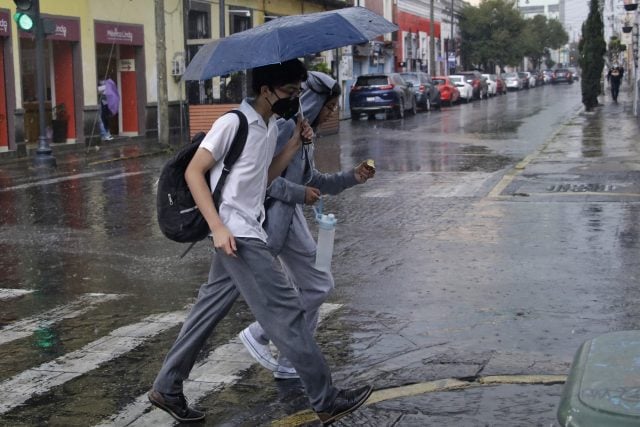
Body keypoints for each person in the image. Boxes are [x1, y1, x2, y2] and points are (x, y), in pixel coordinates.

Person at [148, 60, 372, 425]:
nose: (294, 99)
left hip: (245, 229)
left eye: (298, 92)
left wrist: (295, 143)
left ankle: (167, 386)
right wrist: (217, 227)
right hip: (238, 235)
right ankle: (326, 397)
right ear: (266, 90)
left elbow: (263, 178)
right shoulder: (233, 122)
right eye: (288, 91)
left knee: (208, 310)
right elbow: (194, 172)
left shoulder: (269, 127)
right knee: (287, 313)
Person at [238, 71, 375, 380]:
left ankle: (290, 362)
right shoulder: (287, 128)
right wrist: (300, 194)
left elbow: (312, 180)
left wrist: (353, 176)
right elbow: (262, 180)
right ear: (313, 102)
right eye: (329, 106)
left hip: (290, 217)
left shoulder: (304, 132)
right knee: (318, 286)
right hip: (274, 217)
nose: (332, 113)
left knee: (312, 287)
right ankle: (261, 332)